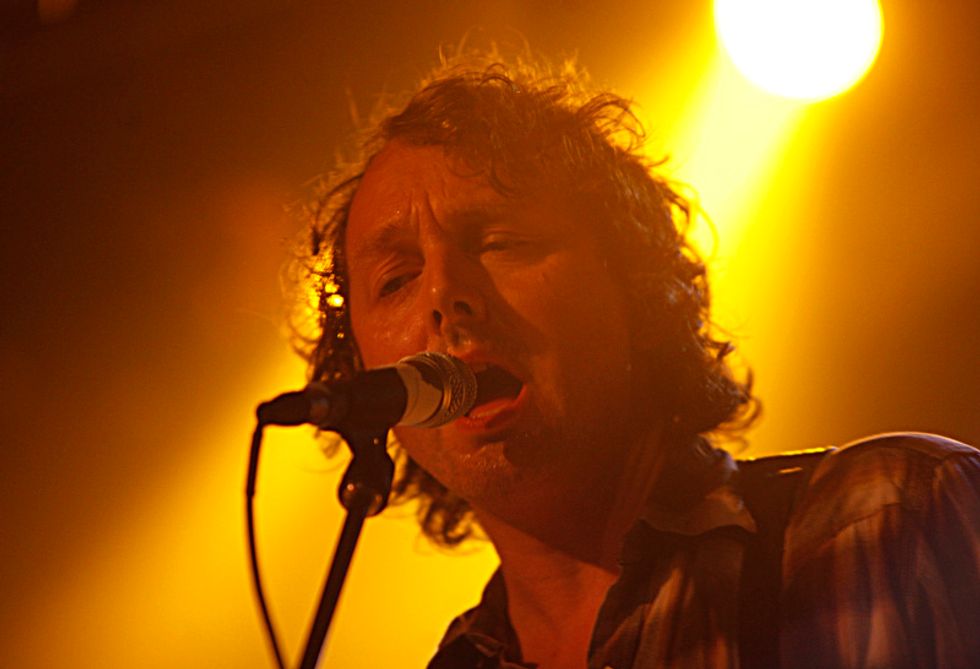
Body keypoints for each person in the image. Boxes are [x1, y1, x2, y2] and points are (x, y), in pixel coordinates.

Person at [298, 52, 980, 668]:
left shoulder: (892, 521)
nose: (445, 295)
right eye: (396, 279)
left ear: (635, 285)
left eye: (500, 242)